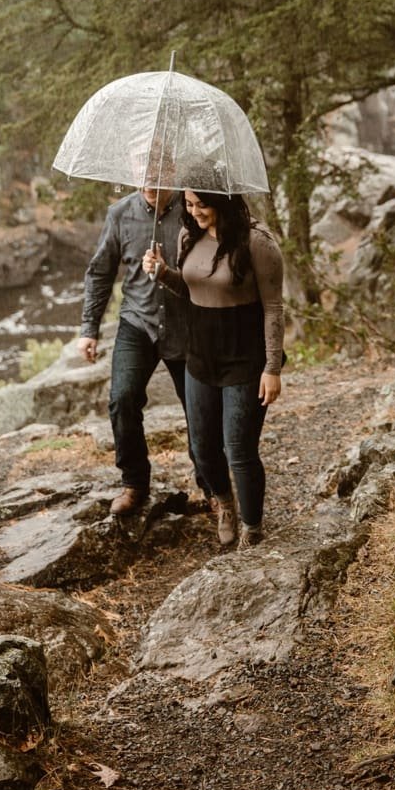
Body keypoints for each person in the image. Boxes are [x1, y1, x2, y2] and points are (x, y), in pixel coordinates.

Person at [144, 190, 283, 548]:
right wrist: (162, 273)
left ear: (221, 200)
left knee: (238, 449)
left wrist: (272, 367)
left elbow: (273, 309)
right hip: (200, 357)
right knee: (203, 447)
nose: (193, 212)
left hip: (245, 359)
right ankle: (225, 504)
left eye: (201, 204)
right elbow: (191, 289)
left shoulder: (257, 242)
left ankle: (252, 528)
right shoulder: (188, 235)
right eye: (189, 205)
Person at [78, 183, 193, 516]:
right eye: (143, 173)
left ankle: (212, 484)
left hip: (184, 324)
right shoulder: (119, 214)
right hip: (137, 322)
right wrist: (90, 330)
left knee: (199, 409)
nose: (151, 183)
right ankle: (135, 484)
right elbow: (100, 272)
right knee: (122, 399)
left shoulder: (193, 208)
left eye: (158, 171)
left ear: (171, 168)